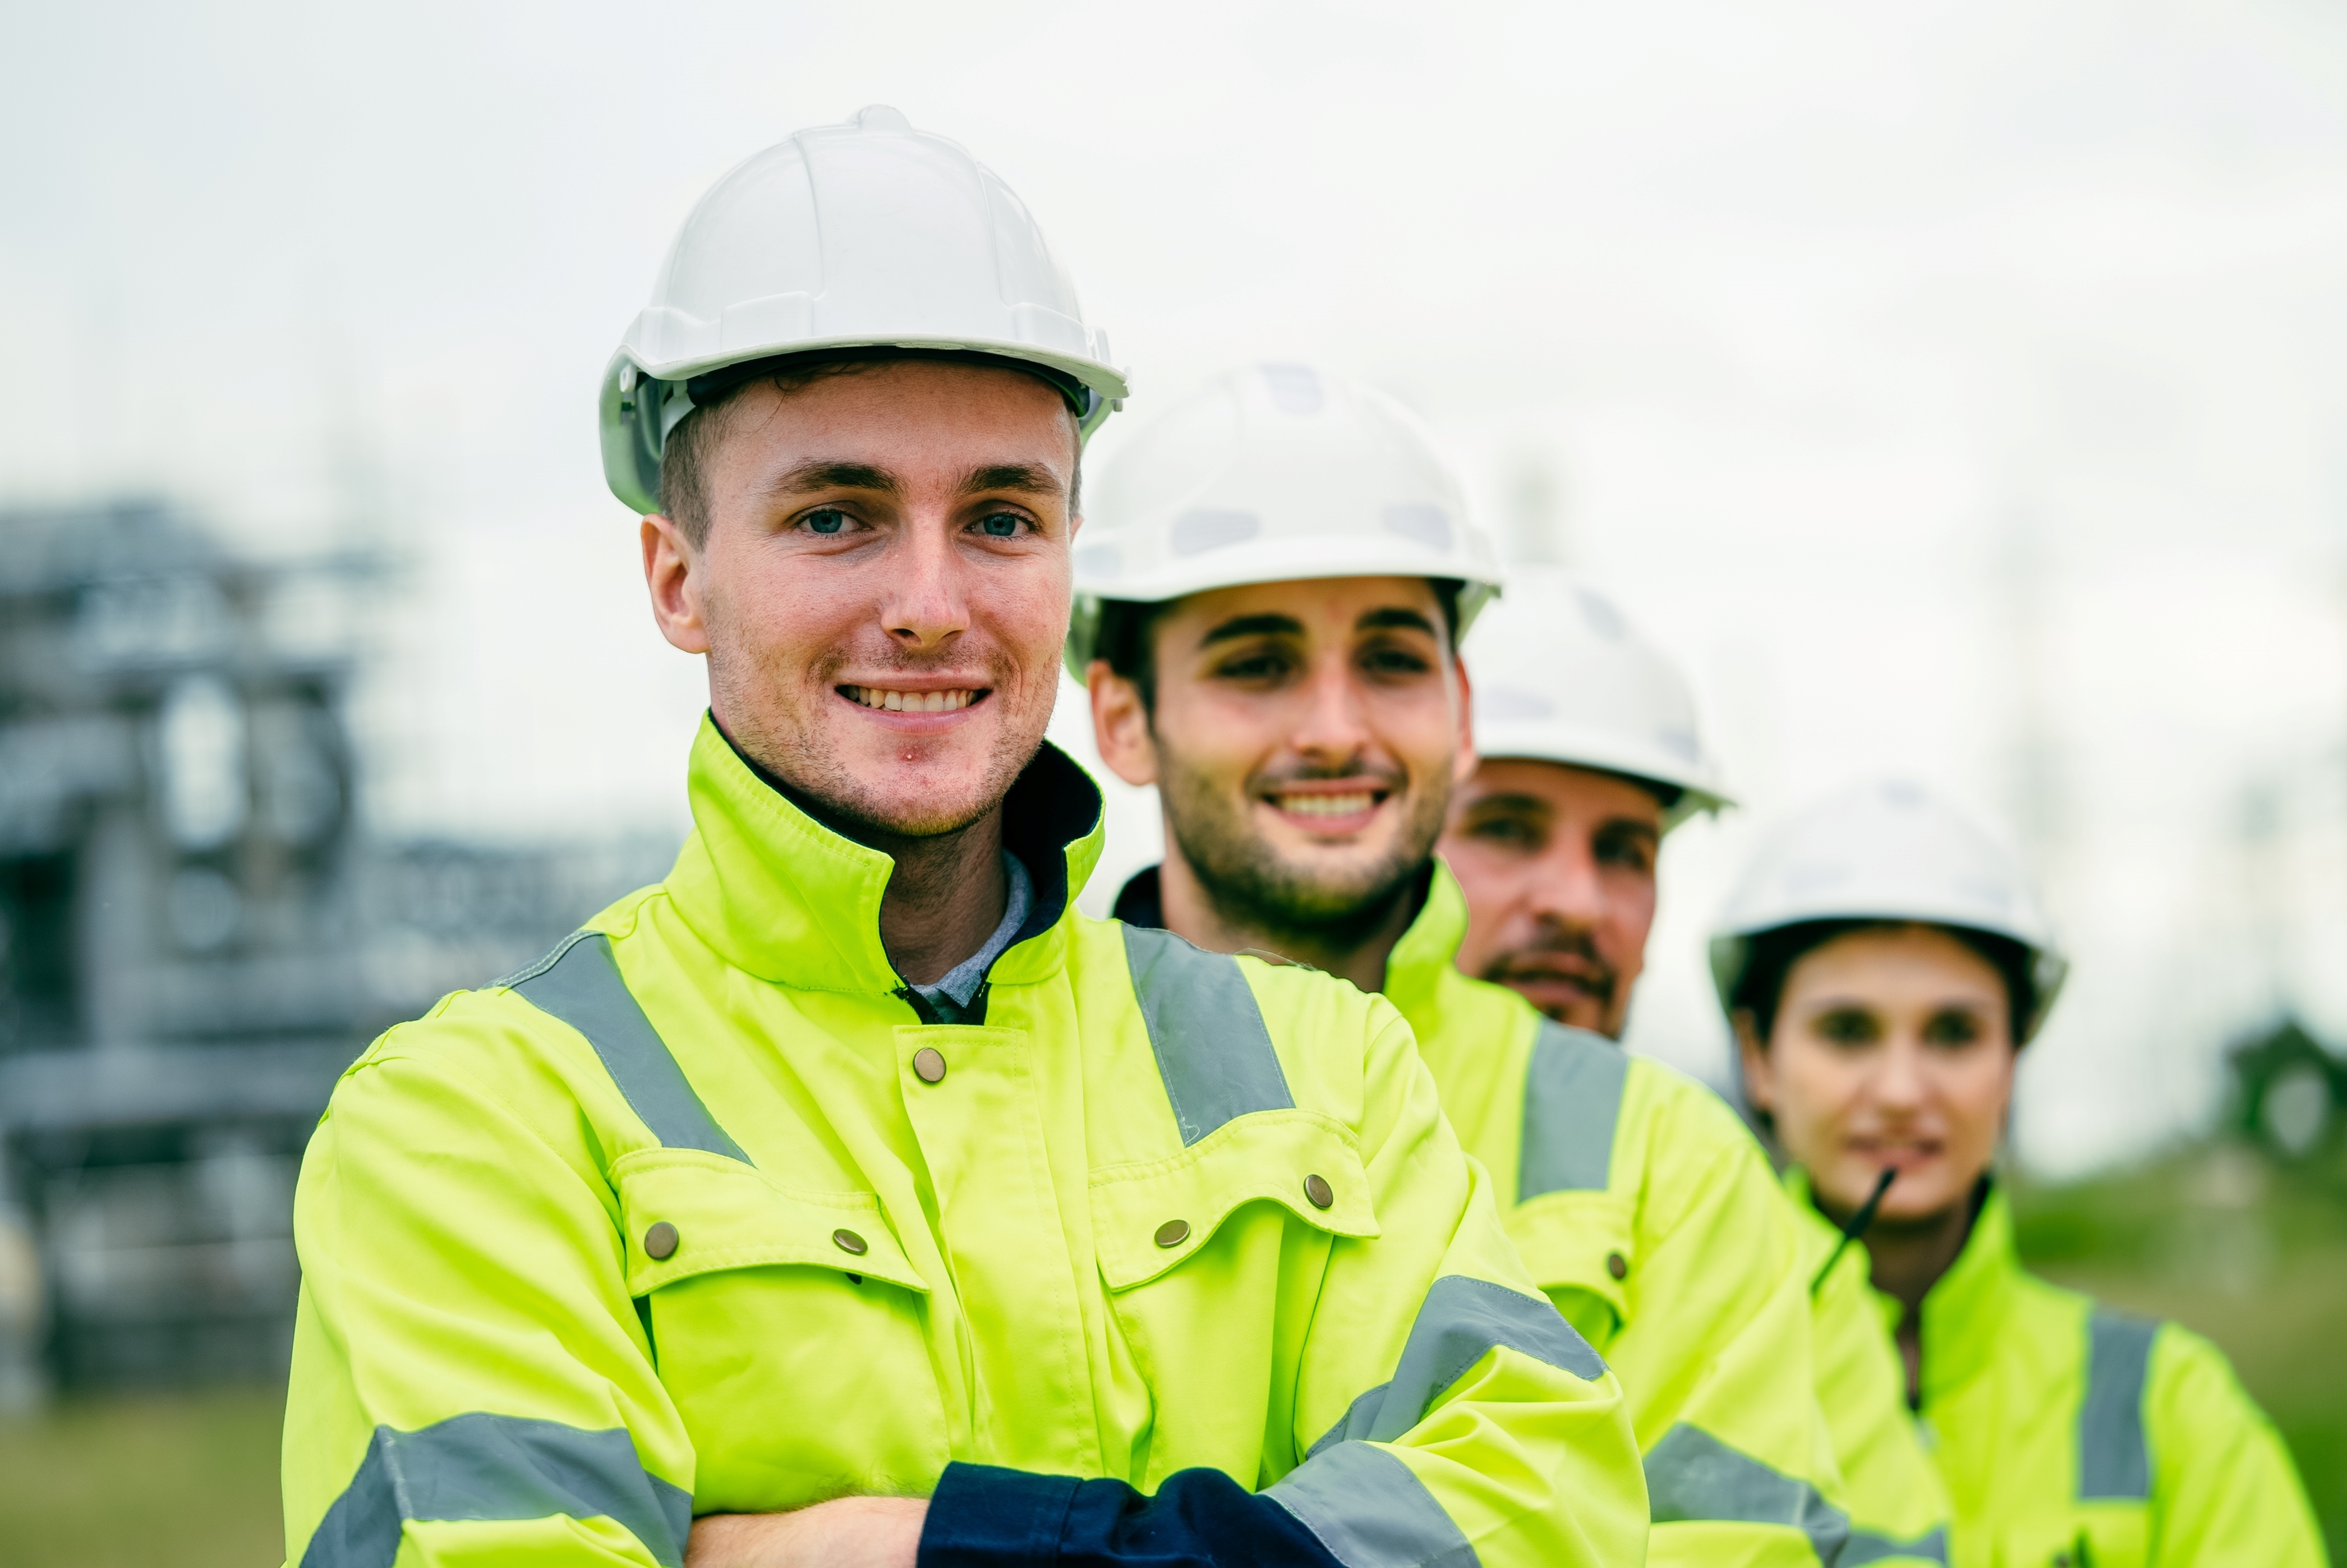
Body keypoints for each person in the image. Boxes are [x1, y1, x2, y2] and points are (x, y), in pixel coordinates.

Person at [279, 110, 1647, 1568]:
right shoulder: (475, 1122)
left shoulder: (1329, 1074)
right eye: (836, 517)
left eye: (1000, 518)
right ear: (678, 579)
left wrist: (916, 1545)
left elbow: (1554, 1516)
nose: (931, 605)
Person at [1080, 364, 1857, 1567]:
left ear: (1461, 709)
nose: (1336, 728)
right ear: (1123, 719)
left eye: (1390, 661)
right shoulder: (993, 1090)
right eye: (1257, 663)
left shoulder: (1667, 1162)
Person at [1443, 576, 1951, 1565]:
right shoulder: (1261, 1132)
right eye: (1507, 830)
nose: (1578, 901)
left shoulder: (1784, 1255)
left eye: (1624, 851)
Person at [1716, 779, 2327, 1568]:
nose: (1901, 1091)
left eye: (1953, 1033)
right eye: (1848, 1031)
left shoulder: (2170, 1404)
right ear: (1758, 1058)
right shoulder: (1680, 1364)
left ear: (2013, 1060)